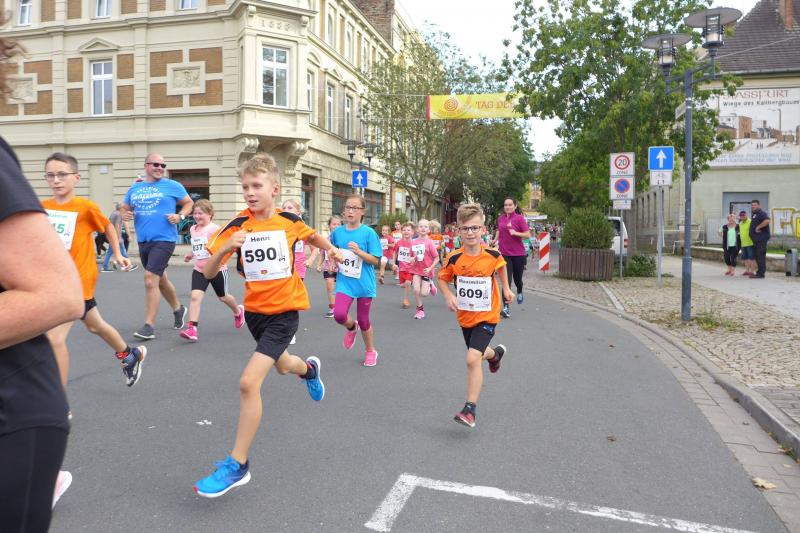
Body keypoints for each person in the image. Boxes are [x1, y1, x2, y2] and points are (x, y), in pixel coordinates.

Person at [193, 154, 338, 498]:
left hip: (285, 313)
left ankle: (238, 464)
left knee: (248, 383)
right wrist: (224, 249)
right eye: (245, 187)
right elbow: (209, 272)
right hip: (255, 314)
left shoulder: (290, 221)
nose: (250, 192)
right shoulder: (236, 226)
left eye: (256, 186)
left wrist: (333, 250)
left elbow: (312, 237)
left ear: (274, 189)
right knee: (283, 365)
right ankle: (309, 370)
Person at [1, 71, 84, 531]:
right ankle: (128, 353)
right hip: (39, 286)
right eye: (49, 176)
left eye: (61, 175)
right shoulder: (46, 206)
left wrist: (119, 253)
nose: (54, 181)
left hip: (74, 285)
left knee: (69, 332)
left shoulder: (86, 206)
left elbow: (57, 292)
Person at [437, 204, 513, 429]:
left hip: (488, 315)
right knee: (478, 353)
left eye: (475, 228)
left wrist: (506, 288)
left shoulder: (492, 255)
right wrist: (448, 295)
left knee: (472, 358)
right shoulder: (453, 258)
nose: (470, 233)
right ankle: (495, 355)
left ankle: (469, 410)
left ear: (483, 230)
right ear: (458, 230)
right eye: (465, 228)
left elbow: (501, 267)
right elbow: (442, 278)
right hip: (465, 317)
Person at [123, 153, 193, 340]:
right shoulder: (135, 187)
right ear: (146, 166)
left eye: (163, 165)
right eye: (156, 164)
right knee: (160, 279)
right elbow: (124, 207)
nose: (160, 168)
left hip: (164, 239)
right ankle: (178, 309)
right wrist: (124, 214)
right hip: (144, 240)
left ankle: (148, 326)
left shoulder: (173, 185)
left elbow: (189, 203)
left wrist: (180, 216)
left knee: (149, 279)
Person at [179, 199, 245, 342]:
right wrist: (191, 254)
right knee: (195, 297)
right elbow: (197, 246)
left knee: (223, 297)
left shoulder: (215, 229)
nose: (197, 216)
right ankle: (192, 329)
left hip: (217, 270)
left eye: (200, 213)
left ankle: (238, 311)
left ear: (210, 214)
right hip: (199, 269)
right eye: (195, 213)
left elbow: (226, 246)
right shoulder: (193, 229)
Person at [330, 195, 383, 366]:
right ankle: (352, 327)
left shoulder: (369, 233)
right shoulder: (337, 233)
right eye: (347, 207)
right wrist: (333, 260)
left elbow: (376, 260)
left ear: (362, 211)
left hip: (364, 283)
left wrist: (359, 252)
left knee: (364, 320)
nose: (350, 211)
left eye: (354, 208)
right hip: (345, 281)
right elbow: (333, 250)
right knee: (339, 314)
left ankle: (370, 351)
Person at [493, 198, 531, 317]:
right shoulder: (501, 218)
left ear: (515, 206)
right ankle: (506, 308)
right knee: (506, 282)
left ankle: (519, 290)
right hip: (504, 254)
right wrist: (494, 240)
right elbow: (499, 230)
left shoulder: (519, 218)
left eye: (510, 205)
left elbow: (527, 234)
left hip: (518, 254)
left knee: (517, 280)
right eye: (506, 205)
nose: (508, 207)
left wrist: (515, 233)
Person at [408, 219, 440, 319]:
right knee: (416, 290)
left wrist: (430, 268)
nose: (423, 228)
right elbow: (411, 256)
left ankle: (430, 284)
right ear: (417, 229)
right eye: (421, 226)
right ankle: (420, 310)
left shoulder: (430, 242)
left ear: (429, 229)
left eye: (425, 227)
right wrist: (411, 259)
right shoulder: (413, 242)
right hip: (416, 270)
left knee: (424, 293)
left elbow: (437, 258)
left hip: (426, 271)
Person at [316, 215, 342, 318]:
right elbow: (322, 254)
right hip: (328, 267)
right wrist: (319, 264)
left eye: (338, 224)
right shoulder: (325, 240)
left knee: (340, 288)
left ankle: (341, 306)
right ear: (329, 226)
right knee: (330, 286)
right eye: (334, 224)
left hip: (341, 268)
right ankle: (333, 308)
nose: (336, 226)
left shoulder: (343, 240)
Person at [101, 203, 138, 272]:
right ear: (121, 208)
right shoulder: (119, 214)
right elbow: (117, 226)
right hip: (115, 236)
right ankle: (129, 265)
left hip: (111, 235)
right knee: (123, 250)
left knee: (109, 252)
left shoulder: (113, 213)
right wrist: (119, 237)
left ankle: (104, 267)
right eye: (123, 208)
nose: (124, 209)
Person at [392, 222, 415, 309]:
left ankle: (406, 300)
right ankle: (414, 283)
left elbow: (419, 255)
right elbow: (395, 252)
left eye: (408, 230)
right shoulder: (399, 242)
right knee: (402, 285)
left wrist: (414, 258)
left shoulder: (414, 243)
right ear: (402, 232)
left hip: (411, 268)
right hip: (402, 268)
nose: (406, 232)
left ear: (412, 232)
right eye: (404, 230)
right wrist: (394, 263)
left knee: (408, 283)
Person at [749, 200, 771, 279]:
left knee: (760, 256)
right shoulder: (755, 214)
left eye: (754, 205)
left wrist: (758, 227)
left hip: (761, 239)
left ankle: (761, 274)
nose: (753, 206)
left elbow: (767, 220)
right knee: (758, 256)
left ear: (759, 205)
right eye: (752, 205)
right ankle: (759, 273)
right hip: (756, 240)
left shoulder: (761, 213)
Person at [738, 210, 755, 277]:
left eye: (743, 215)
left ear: (746, 215)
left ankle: (752, 271)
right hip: (743, 243)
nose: (742, 217)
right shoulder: (740, 223)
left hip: (750, 243)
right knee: (745, 258)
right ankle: (747, 271)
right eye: (741, 216)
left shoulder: (750, 222)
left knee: (751, 257)